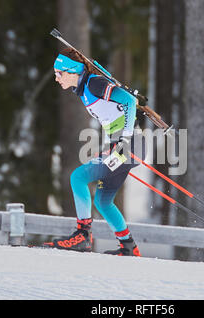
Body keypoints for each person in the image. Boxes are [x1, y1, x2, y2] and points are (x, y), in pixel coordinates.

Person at [43, 47, 145, 256]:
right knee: (103, 201)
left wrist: (124, 140)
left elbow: (128, 101)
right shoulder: (84, 89)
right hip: (123, 147)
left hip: (129, 146)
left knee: (78, 177)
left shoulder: (93, 83)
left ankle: (82, 236)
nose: (56, 78)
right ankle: (128, 247)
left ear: (72, 71)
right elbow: (113, 114)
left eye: (59, 73)